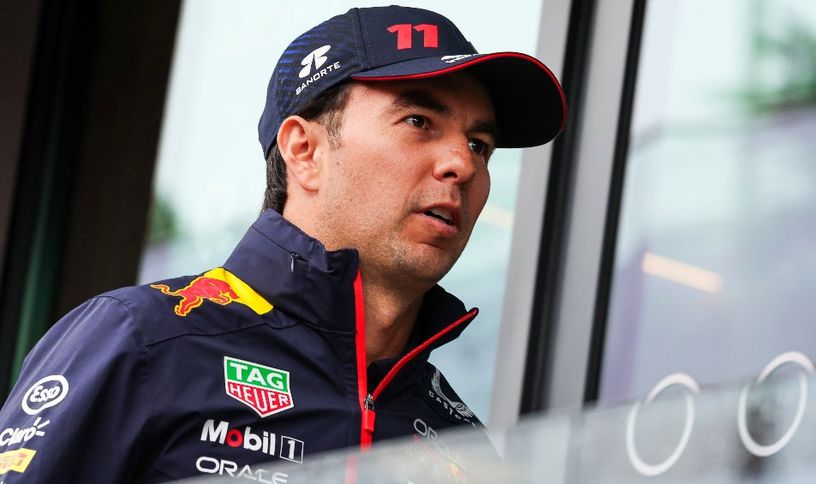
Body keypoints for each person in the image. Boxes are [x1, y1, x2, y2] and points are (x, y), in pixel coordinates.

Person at [0, 5, 565, 483]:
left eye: (480, 144)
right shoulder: (144, 339)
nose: (462, 163)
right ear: (304, 151)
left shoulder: (461, 443)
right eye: (419, 121)